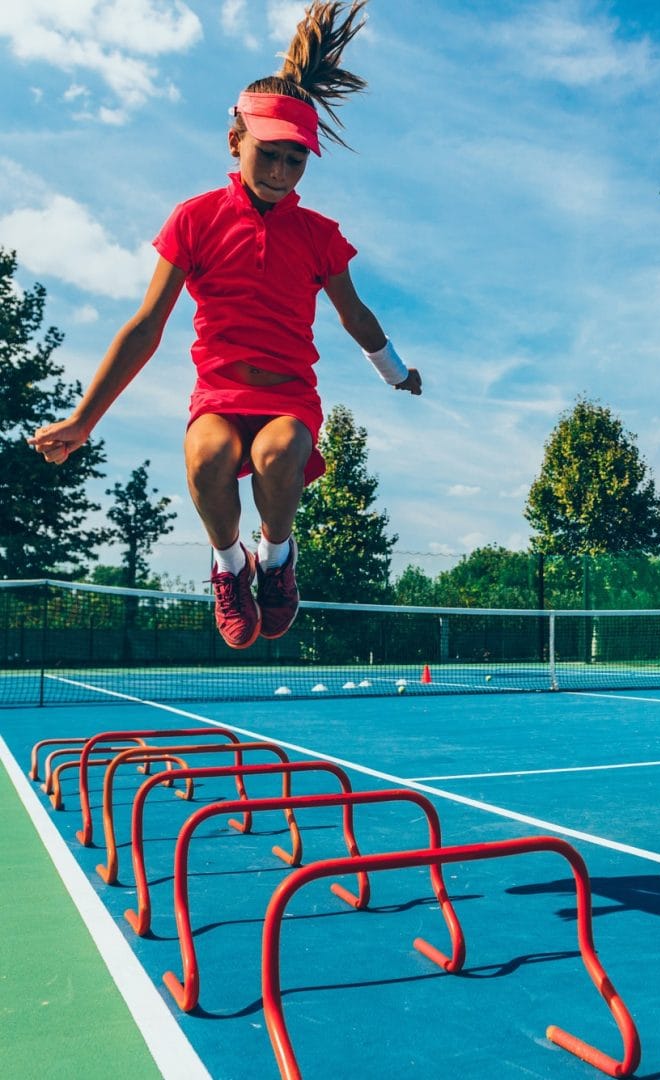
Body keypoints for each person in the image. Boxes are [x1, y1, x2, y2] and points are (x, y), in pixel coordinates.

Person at [28, 1, 420, 650]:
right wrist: (84, 421)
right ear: (235, 139)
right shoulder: (194, 219)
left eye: (297, 161)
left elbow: (356, 316)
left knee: (277, 452)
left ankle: (276, 559)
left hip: (289, 398)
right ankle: (230, 567)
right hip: (218, 396)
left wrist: (396, 373)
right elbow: (146, 326)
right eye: (269, 155)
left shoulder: (319, 237)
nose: (280, 173)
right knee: (209, 455)